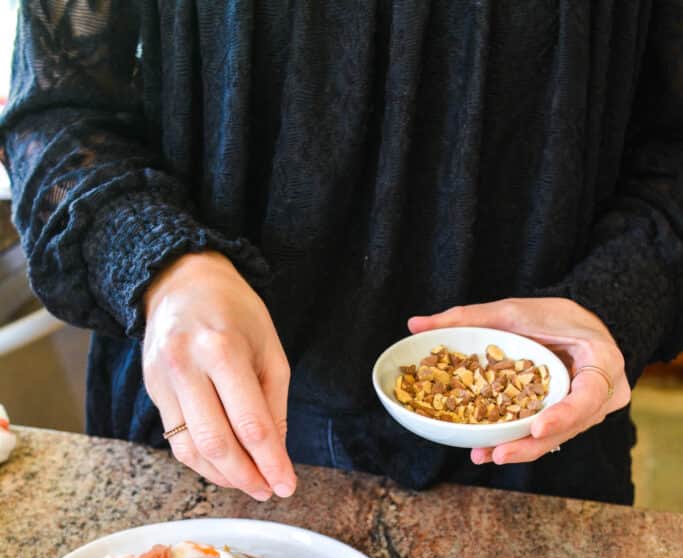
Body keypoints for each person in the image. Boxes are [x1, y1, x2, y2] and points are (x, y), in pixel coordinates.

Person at [1, 1, 681, 506]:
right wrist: (161, 265)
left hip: (535, 437)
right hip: (199, 409)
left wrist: (617, 295)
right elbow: (56, 114)